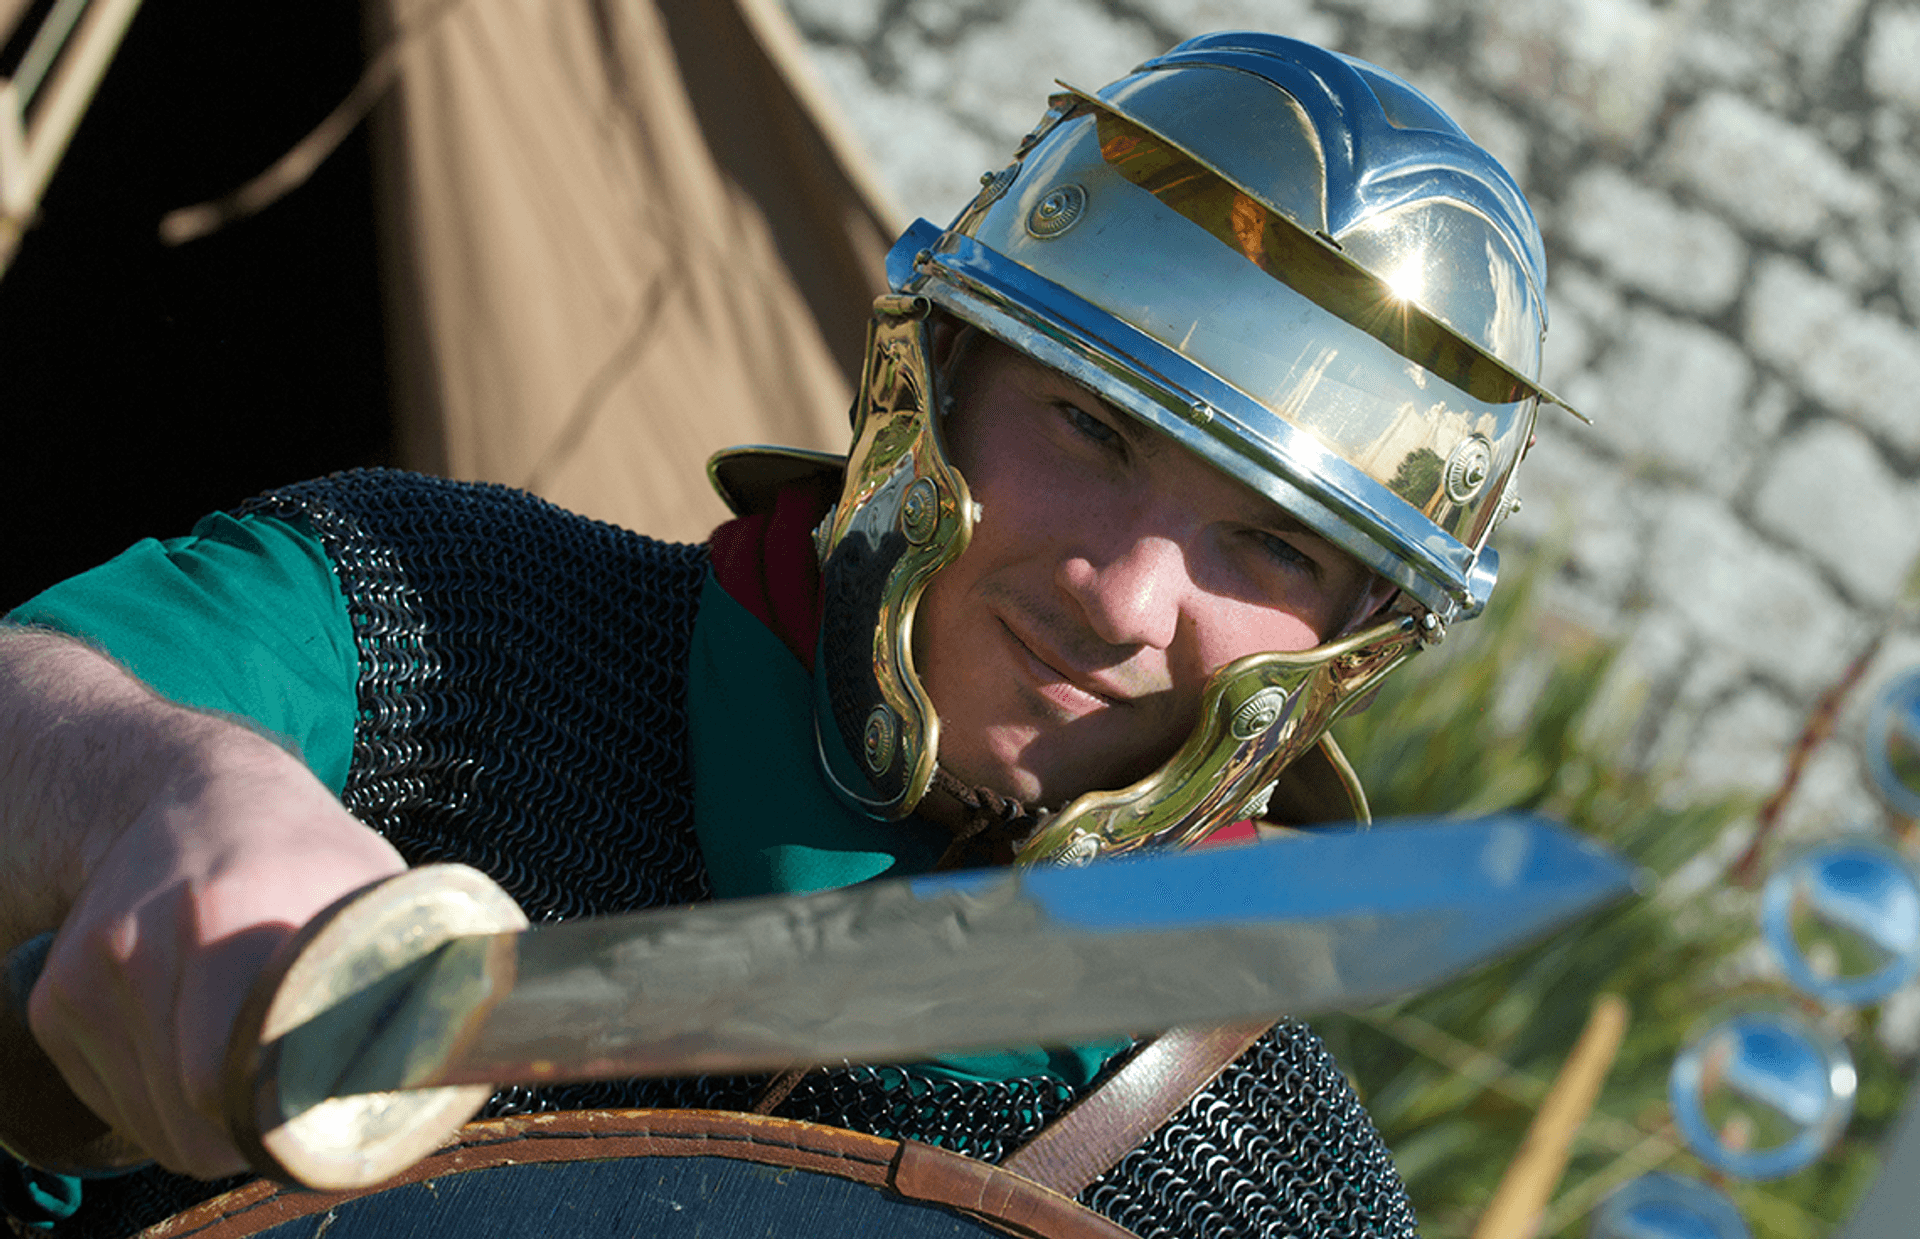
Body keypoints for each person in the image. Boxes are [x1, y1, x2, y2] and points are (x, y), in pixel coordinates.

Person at [0, 32, 1569, 1239]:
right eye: (1092, 428)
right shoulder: (447, 622)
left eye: (1272, 546)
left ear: (1358, 639)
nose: (1125, 597)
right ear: (937, 377)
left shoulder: (1278, 1189)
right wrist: (159, 790)